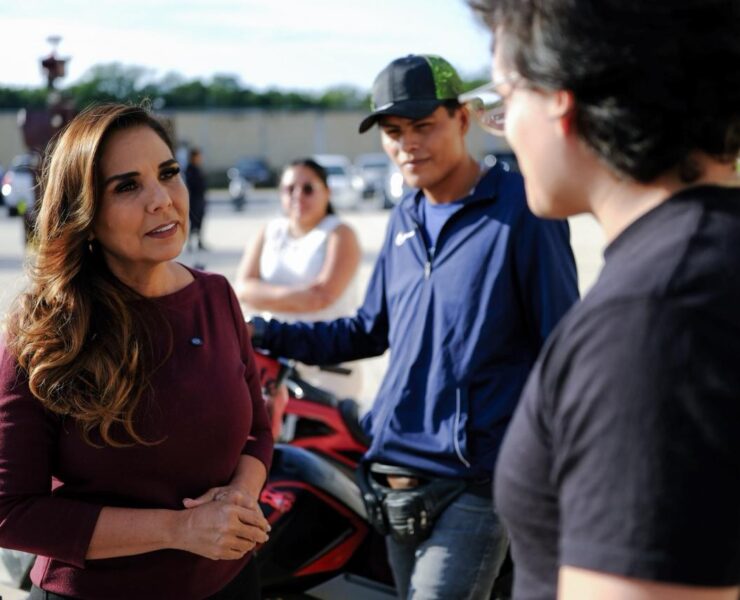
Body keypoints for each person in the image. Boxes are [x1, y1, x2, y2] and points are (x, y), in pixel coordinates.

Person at [249, 54, 579, 599]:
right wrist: (263, 333)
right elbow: (367, 330)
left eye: (423, 126)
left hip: (477, 479)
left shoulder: (523, 208)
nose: (407, 144)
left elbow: (562, 347)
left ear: (462, 119)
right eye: (393, 132)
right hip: (394, 471)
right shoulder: (406, 215)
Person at [464, 1, 740, 599]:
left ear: (560, 100)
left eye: (504, 97)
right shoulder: (704, 264)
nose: (502, 127)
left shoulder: (652, 318)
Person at [0, 103, 273, 600]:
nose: (162, 200)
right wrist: (179, 530)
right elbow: (10, 512)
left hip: (231, 583)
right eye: (127, 186)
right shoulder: (44, 327)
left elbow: (258, 430)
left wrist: (237, 499)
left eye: (168, 173)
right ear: (84, 212)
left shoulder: (215, 295)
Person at [235, 158, 362, 399]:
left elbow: (321, 297)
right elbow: (242, 289)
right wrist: (300, 297)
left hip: (325, 367)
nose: (298, 196)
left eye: (308, 188)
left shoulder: (340, 233)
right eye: (289, 189)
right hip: (271, 364)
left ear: (327, 192)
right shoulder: (269, 231)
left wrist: (262, 295)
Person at [186, 147, 208, 251]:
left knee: (200, 222)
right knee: (193, 222)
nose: (200, 158)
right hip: (194, 200)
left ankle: (199, 242)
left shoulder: (198, 168)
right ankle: (190, 243)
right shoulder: (190, 169)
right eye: (198, 156)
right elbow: (191, 184)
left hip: (200, 198)